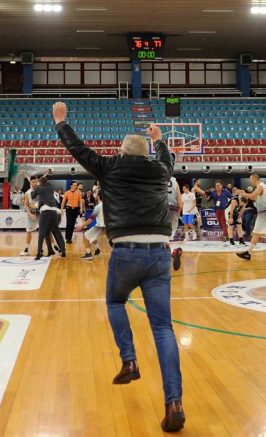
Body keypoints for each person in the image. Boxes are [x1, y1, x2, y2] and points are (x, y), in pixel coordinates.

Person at [53, 102, 184, 432]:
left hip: (126, 251)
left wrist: (61, 122)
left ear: (122, 151)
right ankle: (174, 404)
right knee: (163, 329)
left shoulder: (109, 166)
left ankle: (129, 359)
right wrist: (159, 138)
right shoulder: (160, 170)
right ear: (146, 153)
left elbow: (78, 149)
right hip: (159, 253)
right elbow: (168, 159)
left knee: (115, 302)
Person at [31, 175, 66, 260]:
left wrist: (34, 188)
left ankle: (39, 253)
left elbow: (32, 196)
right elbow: (44, 185)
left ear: (39, 182)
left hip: (45, 212)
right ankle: (61, 251)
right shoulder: (50, 186)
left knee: (41, 233)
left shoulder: (38, 188)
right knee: (55, 232)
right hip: (54, 212)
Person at [77, 190, 105, 260]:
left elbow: (90, 220)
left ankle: (88, 254)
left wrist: (81, 227)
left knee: (86, 235)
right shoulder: (107, 205)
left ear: (98, 196)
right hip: (107, 227)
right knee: (91, 236)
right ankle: (97, 250)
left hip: (100, 226)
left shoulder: (98, 207)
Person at [167, 176, 182, 240]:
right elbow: (179, 201)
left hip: (161, 207)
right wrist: (179, 211)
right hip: (173, 208)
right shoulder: (175, 181)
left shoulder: (158, 178)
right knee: (172, 230)